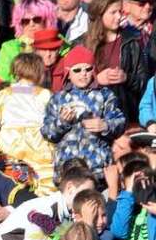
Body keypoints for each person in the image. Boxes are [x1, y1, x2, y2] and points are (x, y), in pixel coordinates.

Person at [42, 45, 125, 174]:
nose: (83, 74)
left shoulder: (105, 95)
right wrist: (62, 122)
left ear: (94, 71)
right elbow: (47, 133)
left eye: (88, 69)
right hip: (67, 168)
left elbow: (120, 122)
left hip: (98, 167)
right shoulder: (58, 98)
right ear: (68, 74)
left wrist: (105, 125)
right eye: (77, 70)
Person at [0, 53, 57, 194]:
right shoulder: (46, 95)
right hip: (38, 145)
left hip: (9, 146)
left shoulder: (1, 95)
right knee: (44, 187)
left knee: (13, 185)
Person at [83, 0, 149, 124]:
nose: (119, 16)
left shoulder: (132, 42)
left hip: (124, 114)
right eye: (113, 12)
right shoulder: (82, 44)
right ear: (99, 14)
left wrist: (126, 78)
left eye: (120, 11)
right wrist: (96, 80)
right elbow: (68, 83)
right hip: (91, 115)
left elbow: (145, 82)